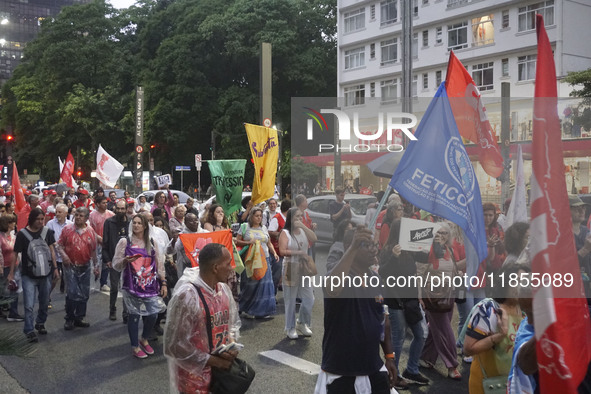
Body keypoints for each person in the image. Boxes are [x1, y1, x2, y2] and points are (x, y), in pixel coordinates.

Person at [315, 226, 397, 393]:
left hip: (373, 367)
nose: (374, 250)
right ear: (348, 246)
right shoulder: (339, 276)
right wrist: (353, 247)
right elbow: (332, 288)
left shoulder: (375, 279)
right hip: (341, 371)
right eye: (366, 245)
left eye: (375, 244)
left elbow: (383, 320)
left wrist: (389, 356)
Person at [164, 243, 241, 393]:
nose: (232, 268)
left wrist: (231, 345)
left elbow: (230, 326)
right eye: (228, 263)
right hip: (193, 379)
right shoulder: (187, 297)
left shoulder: (224, 291)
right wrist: (214, 361)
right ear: (215, 267)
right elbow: (173, 345)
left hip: (220, 377)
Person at [463, 263, 528, 394]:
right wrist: (500, 335)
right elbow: (468, 349)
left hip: (513, 387)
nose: (521, 287)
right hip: (488, 387)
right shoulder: (488, 309)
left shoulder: (525, 313)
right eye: (517, 281)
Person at [379, 219, 429, 387]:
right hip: (395, 301)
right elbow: (382, 272)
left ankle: (412, 369)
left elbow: (426, 256)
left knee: (422, 333)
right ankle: (395, 374)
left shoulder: (410, 248)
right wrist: (394, 257)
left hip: (411, 299)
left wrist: (433, 242)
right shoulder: (389, 249)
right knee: (398, 337)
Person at [112, 214, 167, 358]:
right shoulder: (125, 242)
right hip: (131, 285)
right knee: (134, 316)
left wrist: (164, 283)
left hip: (150, 285)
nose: (136, 225)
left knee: (153, 314)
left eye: (139, 223)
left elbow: (159, 264)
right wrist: (125, 260)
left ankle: (144, 338)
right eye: (134, 223)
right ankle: (135, 346)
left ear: (145, 226)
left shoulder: (152, 242)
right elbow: (116, 265)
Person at [8, 208, 59, 343]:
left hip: (45, 274)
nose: (41, 222)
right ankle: (29, 329)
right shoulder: (22, 235)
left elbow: (51, 250)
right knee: (29, 304)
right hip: (28, 275)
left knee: (44, 302)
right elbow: (15, 254)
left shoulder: (47, 232)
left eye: (43, 219)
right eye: (38, 219)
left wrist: (55, 268)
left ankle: (40, 322)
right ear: (32, 219)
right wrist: (12, 273)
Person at [418, 223, 462, 380]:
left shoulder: (449, 250)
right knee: (445, 330)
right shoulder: (428, 251)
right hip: (433, 296)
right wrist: (419, 297)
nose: (442, 235)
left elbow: (454, 270)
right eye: (438, 233)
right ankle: (452, 365)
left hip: (448, 295)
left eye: (444, 233)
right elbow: (419, 274)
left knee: (437, 329)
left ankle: (426, 357)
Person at [57, 207, 99, 330]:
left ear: (86, 218)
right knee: (72, 292)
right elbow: (59, 245)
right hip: (70, 266)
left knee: (84, 293)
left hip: (85, 266)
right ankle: (69, 318)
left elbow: (94, 251)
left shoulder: (91, 231)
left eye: (81, 215)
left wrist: (96, 266)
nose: (78, 217)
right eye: (77, 215)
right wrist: (64, 256)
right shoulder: (67, 230)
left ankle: (79, 317)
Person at [278, 207, 317, 339]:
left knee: (309, 298)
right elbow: (282, 251)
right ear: (290, 218)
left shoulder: (304, 231)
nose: (299, 219)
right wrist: (298, 253)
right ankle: (290, 327)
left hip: (304, 268)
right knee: (291, 298)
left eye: (301, 217)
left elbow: (314, 238)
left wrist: (304, 227)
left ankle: (302, 322)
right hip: (290, 266)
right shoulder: (285, 233)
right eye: (296, 217)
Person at [235, 207, 278, 319]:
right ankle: (245, 308)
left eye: (260, 216)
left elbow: (268, 243)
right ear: (251, 216)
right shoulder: (245, 227)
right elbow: (237, 241)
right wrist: (249, 242)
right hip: (251, 259)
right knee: (251, 285)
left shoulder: (264, 228)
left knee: (265, 285)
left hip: (265, 259)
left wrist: (274, 253)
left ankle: (262, 311)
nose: (259, 218)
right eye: (256, 215)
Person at [103, 199, 129, 322]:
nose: (120, 211)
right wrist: (107, 259)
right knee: (114, 287)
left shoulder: (131, 222)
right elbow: (105, 242)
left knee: (127, 288)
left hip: (128, 261)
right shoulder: (109, 223)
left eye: (122, 209)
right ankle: (112, 309)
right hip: (114, 259)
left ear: (126, 209)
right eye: (118, 208)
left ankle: (126, 313)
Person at [170, 213, 209, 279]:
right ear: (185, 223)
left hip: (204, 266)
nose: (194, 222)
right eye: (191, 221)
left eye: (196, 220)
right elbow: (173, 250)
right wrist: (174, 240)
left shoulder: (205, 233)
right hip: (188, 268)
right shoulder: (182, 235)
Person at [0, 214, 23, 322]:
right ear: (6, 224)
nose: (14, 224)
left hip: (15, 266)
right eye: (11, 222)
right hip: (3, 267)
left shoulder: (14, 236)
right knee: (3, 290)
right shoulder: (0, 237)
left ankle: (13, 313)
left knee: (14, 289)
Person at [89, 196, 114, 292]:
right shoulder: (92, 215)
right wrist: (98, 237)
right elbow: (90, 229)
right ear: (98, 204)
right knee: (95, 263)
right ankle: (94, 282)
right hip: (96, 243)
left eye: (106, 202)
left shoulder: (111, 214)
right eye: (103, 202)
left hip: (107, 243)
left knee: (106, 263)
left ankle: (103, 283)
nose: (105, 204)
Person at [46, 204, 72, 295]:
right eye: (56, 212)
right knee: (55, 277)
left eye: (60, 212)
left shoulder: (70, 224)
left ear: (66, 213)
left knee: (67, 278)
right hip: (54, 256)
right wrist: (57, 246)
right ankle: (47, 295)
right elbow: (48, 239)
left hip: (66, 256)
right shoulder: (50, 224)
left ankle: (67, 299)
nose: (57, 214)